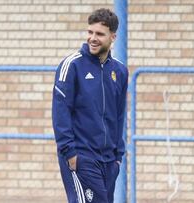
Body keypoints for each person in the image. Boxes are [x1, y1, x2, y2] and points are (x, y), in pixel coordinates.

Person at [52, 8, 128, 203]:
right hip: (81, 156)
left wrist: (118, 156)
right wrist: (70, 152)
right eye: (90, 32)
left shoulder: (119, 71)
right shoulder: (71, 66)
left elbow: (119, 115)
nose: (93, 38)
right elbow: (60, 112)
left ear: (113, 37)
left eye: (99, 34)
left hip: (109, 161)